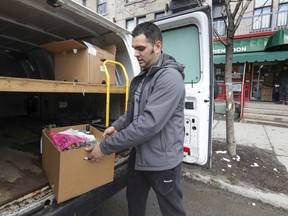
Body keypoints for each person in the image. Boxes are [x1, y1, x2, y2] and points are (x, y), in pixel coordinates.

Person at [85, 22, 186, 216]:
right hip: (139, 156)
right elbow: (134, 112)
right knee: (134, 201)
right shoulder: (144, 76)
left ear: (157, 46)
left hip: (162, 162)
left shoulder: (170, 78)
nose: (136, 54)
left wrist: (105, 148)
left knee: (172, 209)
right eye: (134, 49)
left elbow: (147, 124)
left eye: (141, 49)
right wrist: (118, 126)